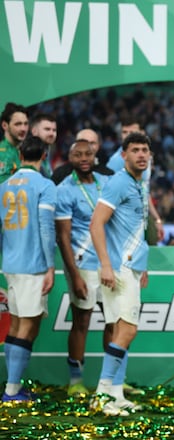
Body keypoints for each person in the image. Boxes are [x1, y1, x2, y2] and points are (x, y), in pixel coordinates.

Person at [88, 131, 152, 416]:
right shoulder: (118, 183)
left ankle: (115, 393)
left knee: (118, 330)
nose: (141, 154)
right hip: (117, 266)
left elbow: (134, 229)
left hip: (131, 267)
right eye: (135, 150)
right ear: (123, 155)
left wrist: (143, 265)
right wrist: (104, 264)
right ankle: (102, 395)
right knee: (128, 330)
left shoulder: (139, 183)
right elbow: (96, 224)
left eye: (145, 150)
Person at [0, 136, 56, 402]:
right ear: (44, 156)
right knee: (27, 325)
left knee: (16, 324)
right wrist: (50, 266)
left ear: (20, 156)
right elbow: (46, 227)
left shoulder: (3, 186)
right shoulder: (45, 185)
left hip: (10, 264)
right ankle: (11, 391)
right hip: (33, 265)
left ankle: (12, 387)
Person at [55, 139, 111, 397]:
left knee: (114, 318)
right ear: (71, 159)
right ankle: (76, 380)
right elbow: (63, 237)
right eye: (78, 155)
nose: (84, 158)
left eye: (88, 153)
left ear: (95, 155)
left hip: (108, 262)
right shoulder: (65, 190)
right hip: (83, 263)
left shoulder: (106, 184)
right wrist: (74, 274)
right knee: (82, 321)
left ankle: (112, 380)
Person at [0, 102, 28, 183]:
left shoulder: (24, 151)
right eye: (18, 124)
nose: (23, 129)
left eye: (26, 124)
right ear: (5, 125)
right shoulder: (1, 154)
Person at [29, 113, 57, 178]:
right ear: (34, 131)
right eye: (47, 129)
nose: (51, 133)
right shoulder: (28, 154)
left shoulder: (48, 151)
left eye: (54, 130)